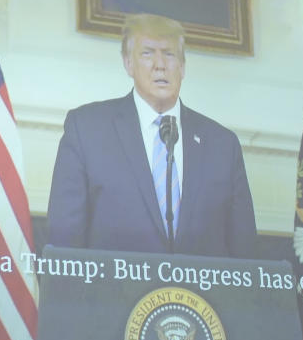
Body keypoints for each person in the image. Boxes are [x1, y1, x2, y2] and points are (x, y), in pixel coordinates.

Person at [46, 13, 257, 258]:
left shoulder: (222, 145)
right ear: (128, 64)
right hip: (115, 293)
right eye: (147, 53)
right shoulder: (87, 129)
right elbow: (64, 241)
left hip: (201, 296)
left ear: (183, 66)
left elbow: (245, 250)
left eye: (169, 54)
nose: (160, 64)